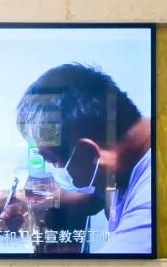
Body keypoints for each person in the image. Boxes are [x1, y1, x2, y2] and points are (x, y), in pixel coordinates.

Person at [14, 63, 152, 254]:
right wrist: (31, 200)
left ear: (89, 153)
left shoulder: (148, 212)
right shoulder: (124, 158)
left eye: (53, 160)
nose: (53, 168)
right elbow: (94, 198)